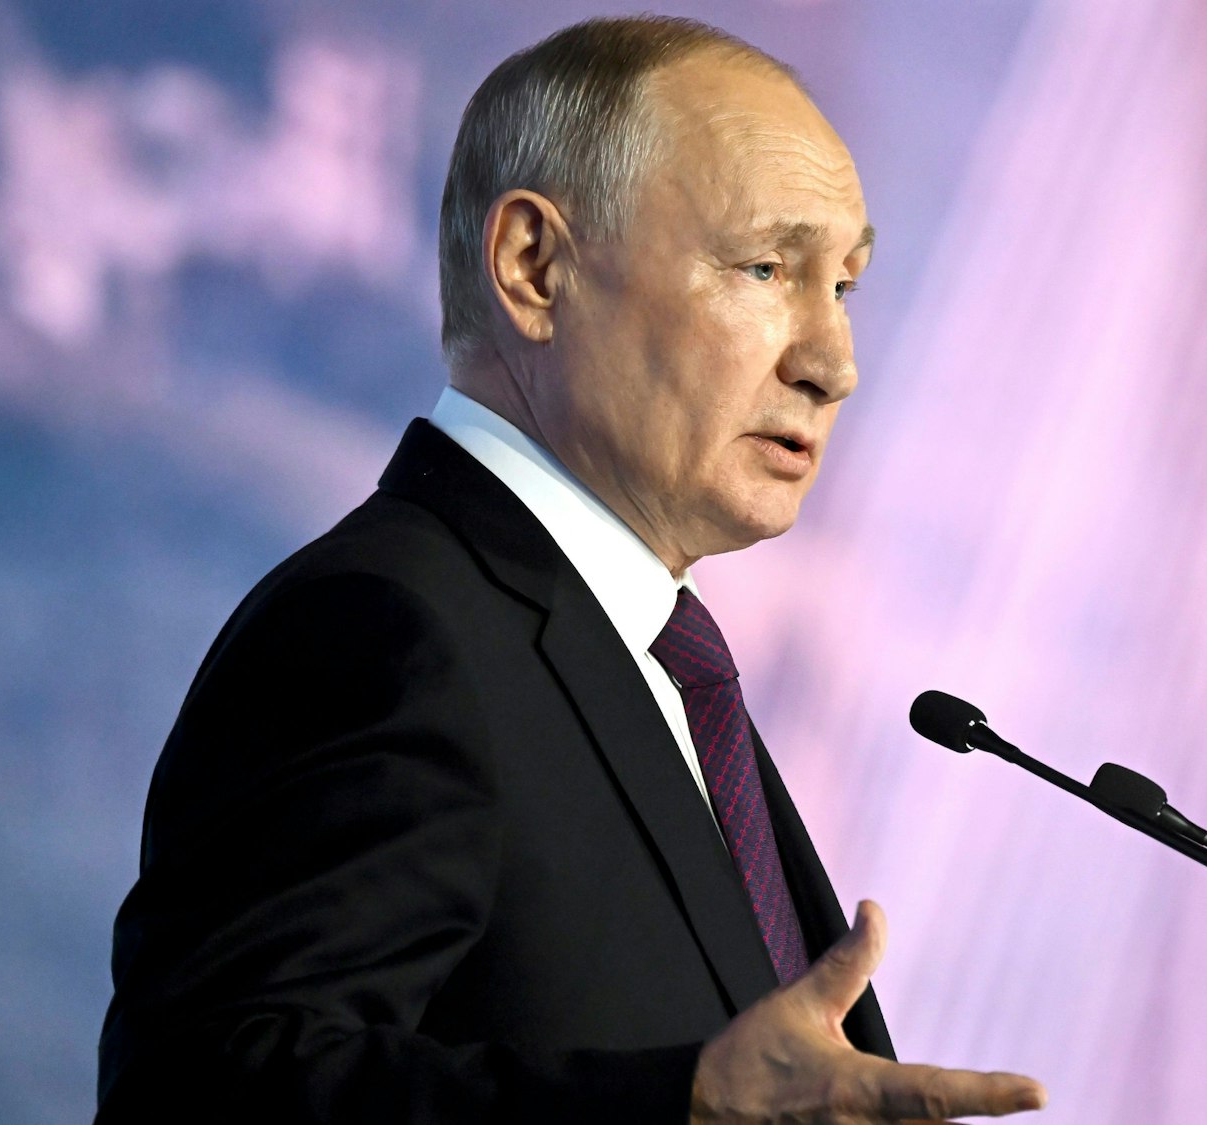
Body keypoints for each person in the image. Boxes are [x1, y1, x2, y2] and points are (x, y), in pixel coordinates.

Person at [96, 16, 1047, 1124]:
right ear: (534, 268)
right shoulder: (383, 633)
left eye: (843, 286)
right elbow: (198, 1094)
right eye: (764, 268)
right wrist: (684, 1105)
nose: (833, 364)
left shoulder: (657, 666)